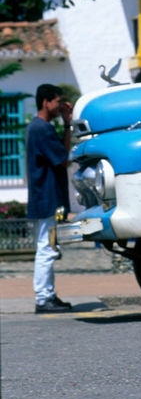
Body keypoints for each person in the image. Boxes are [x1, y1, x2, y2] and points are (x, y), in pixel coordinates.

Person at [28, 84, 73, 313]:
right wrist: (67, 124)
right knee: (46, 248)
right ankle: (43, 298)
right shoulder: (42, 129)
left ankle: (48, 295)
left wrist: (65, 123)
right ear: (45, 101)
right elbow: (64, 159)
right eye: (57, 101)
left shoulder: (38, 127)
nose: (59, 105)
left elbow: (61, 157)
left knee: (48, 246)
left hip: (46, 197)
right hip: (48, 198)